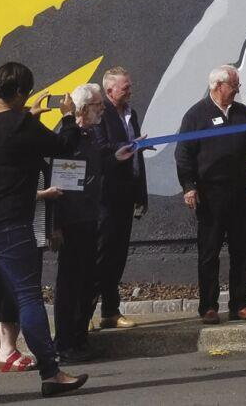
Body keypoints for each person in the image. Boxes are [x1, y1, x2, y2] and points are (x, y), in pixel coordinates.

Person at [0, 60, 87, 400]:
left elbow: (9, 139)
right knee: (28, 296)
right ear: (19, 93)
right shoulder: (20, 125)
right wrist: (69, 116)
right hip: (9, 224)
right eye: (26, 93)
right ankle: (51, 372)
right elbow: (64, 146)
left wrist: (29, 116)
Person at [175, 65, 246, 324]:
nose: (238, 90)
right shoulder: (196, 115)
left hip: (240, 192)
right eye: (234, 85)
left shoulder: (241, 113)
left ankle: (239, 304)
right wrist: (188, 186)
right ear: (218, 86)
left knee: (243, 250)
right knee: (209, 252)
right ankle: (208, 306)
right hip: (210, 194)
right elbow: (183, 154)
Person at [51, 84, 108, 363]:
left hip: (89, 217)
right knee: (70, 284)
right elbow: (59, 183)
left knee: (88, 281)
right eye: (98, 105)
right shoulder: (66, 136)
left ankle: (79, 335)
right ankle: (64, 341)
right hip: (71, 221)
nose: (103, 109)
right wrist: (56, 226)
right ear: (83, 109)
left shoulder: (91, 135)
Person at [92, 66, 148, 331]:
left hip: (126, 195)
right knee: (100, 256)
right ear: (110, 90)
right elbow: (101, 149)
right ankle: (83, 314)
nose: (130, 91)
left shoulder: (131, 113)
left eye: (130, 86)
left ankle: (110, 312)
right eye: (125, 87)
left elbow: (136, 155)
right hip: (105, 198)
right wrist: (125, 148)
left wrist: (140, 194)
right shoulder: (100, 114)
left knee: (117, 257)